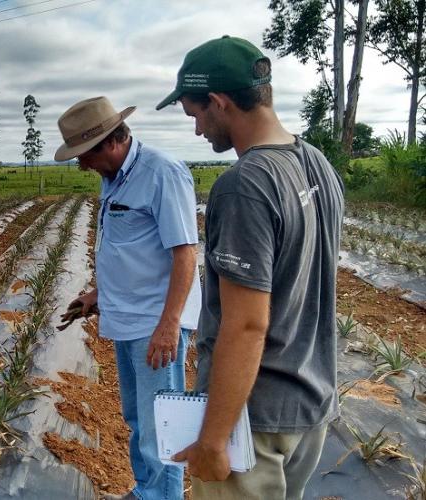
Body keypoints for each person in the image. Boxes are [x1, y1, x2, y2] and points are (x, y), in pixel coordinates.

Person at [156, 36, 344, 500]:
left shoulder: (245, 185)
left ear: (219, 102)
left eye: (196, 115)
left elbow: (245, 324)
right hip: (310, 406)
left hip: (253, 424)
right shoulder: (318, 164)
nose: (198, 130)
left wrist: (214, 440)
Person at [55, 96, 201, 500]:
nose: (81, 165)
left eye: (84, 155)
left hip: (156, 322)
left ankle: (162, 496)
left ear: (110, 143)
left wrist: (169, 324)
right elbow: (129, 246)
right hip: (128, 317)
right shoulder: (113, 177)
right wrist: (99, 294)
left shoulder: (162, 173)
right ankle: (146, 491)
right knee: (138, 418)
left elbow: (185, 253)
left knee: (161, 425)